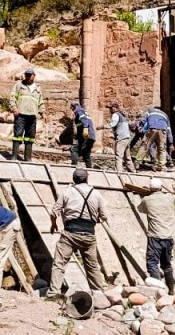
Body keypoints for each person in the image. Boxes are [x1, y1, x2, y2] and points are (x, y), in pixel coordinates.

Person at [48, 167, 108, 298]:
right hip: (89, 235)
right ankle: (98, 293)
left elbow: (54, 212)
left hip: (70, 233)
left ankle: (53, 293)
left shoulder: (67, 192)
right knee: (92, 266)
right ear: (87, 178)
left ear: (73, 179)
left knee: (59, 263)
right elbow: (104, 217)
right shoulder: (96, 194)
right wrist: (93, 219)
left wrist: (53, 225)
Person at [137, 178, 175, 294]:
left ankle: (158, 292)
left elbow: (141, 209)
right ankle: (171, 290)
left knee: (152, 263)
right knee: (167, 264)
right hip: (168, 237)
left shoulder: (146, 200)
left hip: (155, 237)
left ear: (150, 188)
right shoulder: (170, 198)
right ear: (161, 187)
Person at [9, 67, 45, 161]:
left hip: (32, 116)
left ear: (34, 76)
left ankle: (28, 158)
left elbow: (40, 101)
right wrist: (14, 108)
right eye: (27, 75)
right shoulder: (19, 85)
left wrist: (43, 112)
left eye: (30, 75)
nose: (28, 77)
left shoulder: (38, 88)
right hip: (21, 115)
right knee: (17, 135)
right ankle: (14, 156)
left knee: (30, 137)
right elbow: (12, 97)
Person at [141, 107, 175, 172]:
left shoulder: (150, 110)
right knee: (162, 149)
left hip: (152, 129)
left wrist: (140, 126)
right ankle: (163, 166)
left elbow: (143, 120)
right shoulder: (165, 115)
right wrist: (171, 143)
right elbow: (169, 130)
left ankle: (152, 162)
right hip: (162, 131)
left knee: (147, 146)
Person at [105, 103, 134, 172]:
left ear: (115, 108)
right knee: (127, 157)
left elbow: (113, 124)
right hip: (127, 137)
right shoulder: (122, 116)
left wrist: (102, 126)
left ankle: (119, 171)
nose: (110, 110)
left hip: (121, 138)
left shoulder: (116, 114)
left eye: (111, 108)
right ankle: (133, 171)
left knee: (119, 156)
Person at [69, 100, 96, 167]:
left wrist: (85, 129)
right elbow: (79, 125)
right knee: (86, 154)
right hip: (91, 136)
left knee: (75, 149)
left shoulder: (79, 111)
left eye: (71, 107)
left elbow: (84, 120)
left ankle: (73, 166)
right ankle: (89, 168)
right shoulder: (84, 111)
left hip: (86, 135)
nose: (71, 109)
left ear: (73, 107)